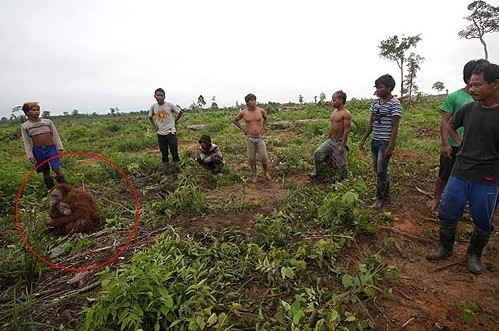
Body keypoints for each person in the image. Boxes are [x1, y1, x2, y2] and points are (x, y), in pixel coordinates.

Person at [427, 62, 499, 275]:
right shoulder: (468, 108)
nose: (472, 89)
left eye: (478, 85)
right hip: (461, 170)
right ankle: (445, 247)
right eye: (470, 85)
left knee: (482, 218)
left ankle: (474, 254)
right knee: (448, 210)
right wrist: (460, 141)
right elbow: (449, 125)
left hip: (488, 176)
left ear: (495, 85)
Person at [427, 59, 490, 210]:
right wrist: (446, 143)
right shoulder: (455, 98)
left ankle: (464, 202)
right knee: (445, 173)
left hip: (477, 150)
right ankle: (436, 198)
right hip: (455, 146)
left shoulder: (487, 101)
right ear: (468, 78)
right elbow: (445, 122)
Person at [359, 74, 403, 208]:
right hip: (375, 141)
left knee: (381, 170)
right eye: (376, 87)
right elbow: (371, 122)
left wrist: (390, 146)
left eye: (380, 87)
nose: (377, 90)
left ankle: (379, 198)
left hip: (385, 142)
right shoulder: (375, 104)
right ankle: (385, 193)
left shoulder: (395, 104)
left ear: (389, 88)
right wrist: (363, 140)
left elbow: (395, 126)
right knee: (378, 169)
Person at [21, 102, 67, 190]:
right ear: (27, 112)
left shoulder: (47, 122)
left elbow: (55, 135)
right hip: (38, 151)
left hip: (51, 148)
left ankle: (66, 189)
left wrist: (60, 148)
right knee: (45, 172)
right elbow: (26, 142)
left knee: (57, 169)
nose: (36, 112)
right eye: (33, 110)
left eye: (37, 110)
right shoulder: (25, 126)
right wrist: (30, 155)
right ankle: (51, 190)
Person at [310, 90, 352, 180]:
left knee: (342, 164)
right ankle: (318, 174)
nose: (331, 102)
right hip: (331, 140)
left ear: (340, 100)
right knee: (318, 153)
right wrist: (328, 138)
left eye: (334, 100)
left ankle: (345, 180)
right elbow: (332, 127)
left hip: (339, 142)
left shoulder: (346, 114)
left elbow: (346, 131)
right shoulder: (334, 112)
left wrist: (342, 146)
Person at [233, 93, 271, 183]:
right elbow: (235, 120)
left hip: (259, 137)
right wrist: (243, 129)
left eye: (254, 100)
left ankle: (265, 173)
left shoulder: (261, 111)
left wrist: (263, 129)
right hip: (249, 138)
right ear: (247, 102)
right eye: (251, 100)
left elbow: (266, 119)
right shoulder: (244, 112)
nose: (253, 102)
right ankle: (254, 174)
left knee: (263, 157)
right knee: (251, 158)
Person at [148, 88, 183, 175]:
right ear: (154, 96)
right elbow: (150, 117)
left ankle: (178, 171)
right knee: (164, 154)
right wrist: (154, 126)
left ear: (164, 96)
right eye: (158, 95)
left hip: (171, 133)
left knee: (174, 152)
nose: (159, 97)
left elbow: (180, 112)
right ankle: (166, 174)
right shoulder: (153, 107)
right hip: (160, 134)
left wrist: (175, 121)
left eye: (161, 95)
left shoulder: (169, 105)